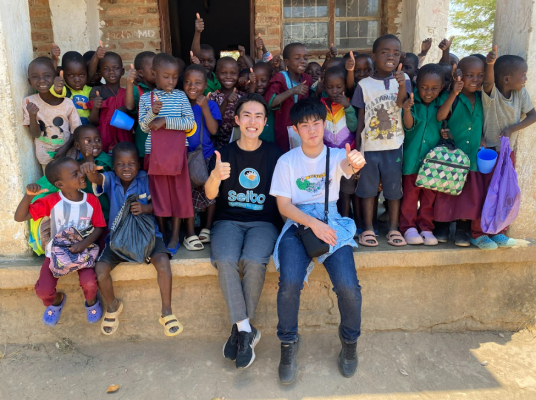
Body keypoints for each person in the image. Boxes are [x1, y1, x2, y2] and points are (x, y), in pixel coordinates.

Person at [270, 98, 366, 384]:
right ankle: (288, 343)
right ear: (295, 129)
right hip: (298, 223)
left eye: (316, 123)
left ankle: (349, 342)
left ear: (325, 125)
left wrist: (355, 164)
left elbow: (349, 166)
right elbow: (284, 206)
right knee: (289, 282)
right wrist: (313, 224)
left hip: (330, 219)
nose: (312, 130)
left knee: (348, 286)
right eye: (305, 125)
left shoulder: (336, 155)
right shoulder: (287, 161)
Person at [206, 93, 283, 370]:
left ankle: (239, 328)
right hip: (228, 221)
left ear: (265, 121)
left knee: (253, 260)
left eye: (258, 116)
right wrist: (215, 176)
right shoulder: (223, 154)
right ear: (237, 120)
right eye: (247, 115)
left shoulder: (276, 155)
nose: (252, 121)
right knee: (225, 259)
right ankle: (246, 329)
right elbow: (210, 195)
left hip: (264, 222)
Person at [81, 141, 183, 337]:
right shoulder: (111, 179)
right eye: (120, 164)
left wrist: (146, 208)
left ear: (139, 164)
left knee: (163, 263)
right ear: (114, 165)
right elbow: (94, 177)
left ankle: (167, 312)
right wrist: (89, 160)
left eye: (131, 163)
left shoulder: (146, 179)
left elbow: (162, 205)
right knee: (100, 270)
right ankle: (113, 306)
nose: (126, 168)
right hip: (118, 238)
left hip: (147, 235)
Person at [14, 157, 106, 326]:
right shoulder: (52, 201)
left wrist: (83, 244)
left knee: (89, 283)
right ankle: (56, 301)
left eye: (80, 171)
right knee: (43, 291)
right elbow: (20, 217)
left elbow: (99, 227)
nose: (81, 175)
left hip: (83, 251)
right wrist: (28, 196)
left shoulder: (92, 200)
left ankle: (92, 301)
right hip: (56, 252)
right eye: (75, 174)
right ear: (60, 184)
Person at [470, 49, 536, 248]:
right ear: (507, 79)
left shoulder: (520, 93)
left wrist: (512, 128)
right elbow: (489, 82)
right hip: (488, 154)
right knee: (485, 193)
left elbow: (533, 115)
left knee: (505, 193)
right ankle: (478, 233)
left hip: (507, 154)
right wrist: (490, 64)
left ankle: (499, 231)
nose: (525, 79)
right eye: (523, 75)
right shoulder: (491, 94)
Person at [351, 34, 411, 247]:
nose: (390, 56)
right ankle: (368, 229)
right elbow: (361, 119)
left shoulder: (404, 80)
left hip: (394, 146)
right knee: (368, 190)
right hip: (370, 147)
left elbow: (402, 103)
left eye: (395, 53)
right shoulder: (364, 85)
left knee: (393, 190)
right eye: (385, 52)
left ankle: (393, 229)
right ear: (374, 56)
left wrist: (401, 84)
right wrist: (358, 148)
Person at [139, 53, 195, 254]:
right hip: (154, 154)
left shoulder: (180, 96)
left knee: (179, 194)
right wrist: (153, 113)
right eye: (166, 76)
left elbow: (190, 123)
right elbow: (143, 127)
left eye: (174, 77)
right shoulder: (146, 99)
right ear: (154, 74)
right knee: (159, 195)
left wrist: (165, 121)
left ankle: (175, 236)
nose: (171, 81)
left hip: (177, 153)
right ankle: (162, 233)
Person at [434, 56, 486, 247]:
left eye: (480, 75)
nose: (475, 79)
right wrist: (454, 93)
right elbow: (440, 116)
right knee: (446, 192)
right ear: (459, 75)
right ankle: (442, 225)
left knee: (468, 196)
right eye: (470, 75)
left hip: (472, 157)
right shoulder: (453, 97)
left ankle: (462, 229)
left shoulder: (482, 98)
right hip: (452, 157)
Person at [400, 64, 448, 245]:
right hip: (412, 160)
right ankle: (408, 227)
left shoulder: (441, 104)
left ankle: (426, 227)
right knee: (410, 197)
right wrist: (406, 109)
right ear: (416, 84)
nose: (428, 92)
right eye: (424, 87)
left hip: (433, 163)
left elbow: (443, 122)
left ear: (441, 87)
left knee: (429, 197)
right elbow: (409, 126)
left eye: (434, 88)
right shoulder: (412, 101)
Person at [182, 64, 222, 250]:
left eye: (198, 83)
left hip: (205, 156)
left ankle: (207, 228)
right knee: (188, 195)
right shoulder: (180, 104)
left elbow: (213, 130)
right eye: (188, 82)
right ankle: (190, 233)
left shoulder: (210, 105)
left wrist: (204, 106)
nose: (192, 86)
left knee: (211, 192)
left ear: (206, 85)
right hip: (184, 158)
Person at [23, 57, 81, 171]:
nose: (41, 80)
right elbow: (35, 134)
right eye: (35, 76)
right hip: (46, 160)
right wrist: (32, 116)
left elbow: (76, 131)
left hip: (68, 158)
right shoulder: (29, 102)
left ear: (55, 77)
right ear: (29, 81)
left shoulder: (67, 103)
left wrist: (64, 149)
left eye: (47, 75)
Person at [320, 66, 359, 221]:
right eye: (330, 87)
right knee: (331, 189)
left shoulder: (349, 104)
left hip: (346, 156)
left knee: (346, 191)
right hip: (328, 157)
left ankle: (346, 218)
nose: (334, 91)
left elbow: (354, 127)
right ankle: (333, 218)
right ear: (324, 87)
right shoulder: (321, 105)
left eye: (338, 87)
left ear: (345, 87)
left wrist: (347, 107)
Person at [264, 42, 313, 152]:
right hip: (282, 129)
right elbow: (271, 102)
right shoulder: (280, 78)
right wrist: (292, 91)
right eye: (297, 58)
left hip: (302, 129)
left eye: (305, 58)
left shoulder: (307, 79)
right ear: (286, 62)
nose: (303, 61)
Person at [88, 52, 134, 153]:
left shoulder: (128, 93)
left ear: (122, 71)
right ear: (100, 73)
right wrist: (95, 107)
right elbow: (93, 122)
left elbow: (134, 119)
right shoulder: (97, 91)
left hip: (125, 138)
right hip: (104, 138)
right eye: (106, 69)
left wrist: (126, 111)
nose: (111, 72)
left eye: (115, 68)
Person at [125, 51, 157, 162]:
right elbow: (129, 106)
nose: (157, 70)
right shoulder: (138, 90)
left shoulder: (163, 88)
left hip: (162, 143)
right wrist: (129, 83)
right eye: (153, 68)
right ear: (141, 73)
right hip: (144, 144)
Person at [211, 57, 247, 148]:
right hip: (220, 145)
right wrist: (226, 101)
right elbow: (214, 121)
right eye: (223, 73)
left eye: (233, 73)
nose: (228, 76)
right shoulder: (213, 97)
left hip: (240, 144)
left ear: (238, 75)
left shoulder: (243, 96)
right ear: (216, 75)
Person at [50, 51, 94, 124]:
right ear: (63, 74)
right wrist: (54, 59)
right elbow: (58, 91)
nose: (77, 80)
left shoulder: (90, 90)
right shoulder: (64, 89)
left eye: (81, 75)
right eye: (71, 75)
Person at [191, 13, 221, 95]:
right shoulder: (196, 80)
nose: (206, 64)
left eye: (210, 61)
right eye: (201, 61)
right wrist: (197, 32)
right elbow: (195, 55)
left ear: (215, 61)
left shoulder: (218, 78)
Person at [253, 62, 276, 143]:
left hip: (272, 144)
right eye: (255, 81)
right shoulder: (250, 98)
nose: (259, 84)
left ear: (270, 80)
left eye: (263, 80)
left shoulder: (273, 97)